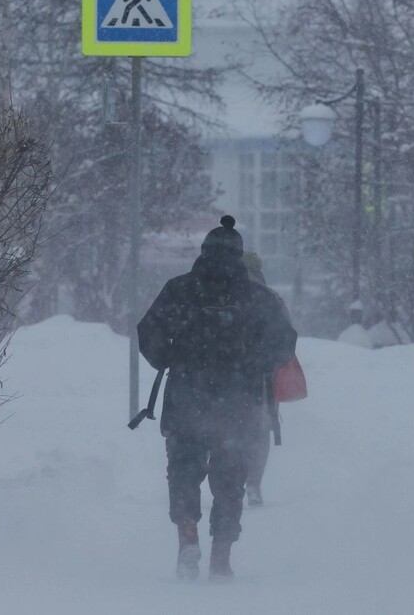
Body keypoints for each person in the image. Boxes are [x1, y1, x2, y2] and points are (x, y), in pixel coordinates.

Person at [138, 216, 297, 582]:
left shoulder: (179, 289)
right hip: (238, 402)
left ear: (203, 253)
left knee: (183, 471)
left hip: (186, 399)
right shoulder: (257, 298)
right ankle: (221, 558)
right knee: (229, 481)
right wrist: (256, 365)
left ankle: (188, 535)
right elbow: (283, 342)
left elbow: (150, 332)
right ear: (240, 257)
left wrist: (168, 357)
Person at [241, 251, 279, 508]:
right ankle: (253, 483)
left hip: (222, 375)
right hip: (261, 377)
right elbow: (285, 335)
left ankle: (227, 478)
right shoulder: (270, 298)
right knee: (260, 430)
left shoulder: (218, 292)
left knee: (222, 427)